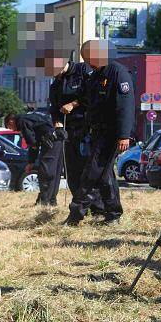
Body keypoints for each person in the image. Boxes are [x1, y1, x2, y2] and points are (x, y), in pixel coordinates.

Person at [65, 39, 134, 226]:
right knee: (104, 175)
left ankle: (76, 215)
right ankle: (113, 214)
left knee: (91, 174)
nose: (87, 62)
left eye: (88, 58)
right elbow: (88, 100)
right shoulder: (96, 75)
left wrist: (124, 135)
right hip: (97, 132)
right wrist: (73, 104)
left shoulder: (117, 72)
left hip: (112, 134)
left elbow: (125, 106)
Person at [49, 59, 103, 215]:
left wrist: (73, 104)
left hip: (86, 129)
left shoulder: (82, 71)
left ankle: (98, 210)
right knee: (73, 173)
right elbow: (54, 108)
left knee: (89, 171)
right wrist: (57, 124)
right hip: (68, 132)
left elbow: (93, 94)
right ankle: (80, 208)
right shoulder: (56, 84)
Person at [5, 111, 65, 206]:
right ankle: (52, 201)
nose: (12, 130)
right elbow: (34, 143)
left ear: (11, 120)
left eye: (9, 126)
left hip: (50, 142)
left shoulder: (22, 121)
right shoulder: (31, 117)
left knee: (46, 172)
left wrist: (30, 162)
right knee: (55, 173)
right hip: (58, 141)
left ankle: (44, 201)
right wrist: (31, 162)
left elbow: (32, 143)